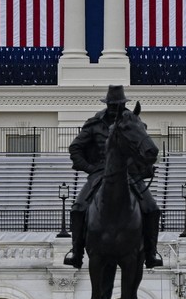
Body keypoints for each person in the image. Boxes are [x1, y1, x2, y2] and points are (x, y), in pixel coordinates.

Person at [63, 85, 162, 270]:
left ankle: (151, 253)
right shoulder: (94, 124)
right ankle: (76, 252)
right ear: (107, 104)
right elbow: (75, 148)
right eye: (113, 105)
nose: (116, 108)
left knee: (152, 208)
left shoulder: (133, 122)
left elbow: (144, 147)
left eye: (119, 104)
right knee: (78, 208)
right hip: (100, 172)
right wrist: (90, 168)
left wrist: (144, 166)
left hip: (130, 173)